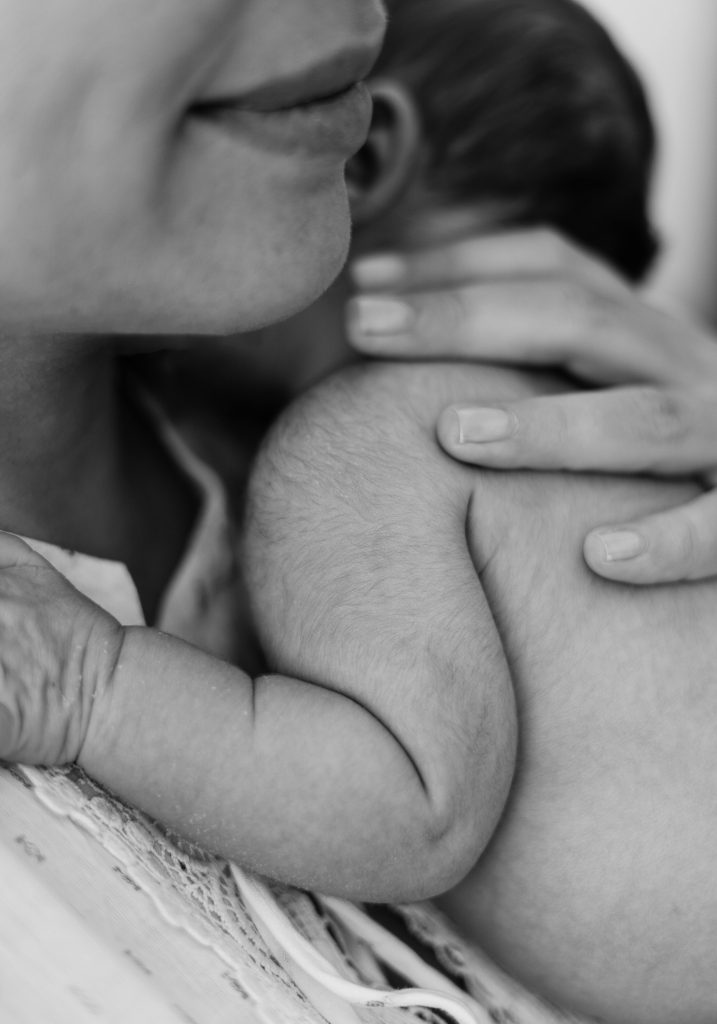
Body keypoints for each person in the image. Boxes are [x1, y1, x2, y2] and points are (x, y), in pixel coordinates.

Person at [1, 2, 714, 1022]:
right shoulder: (541, 439)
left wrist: (94, 684)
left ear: (369, 154)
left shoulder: (361, 443)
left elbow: (409, 807)